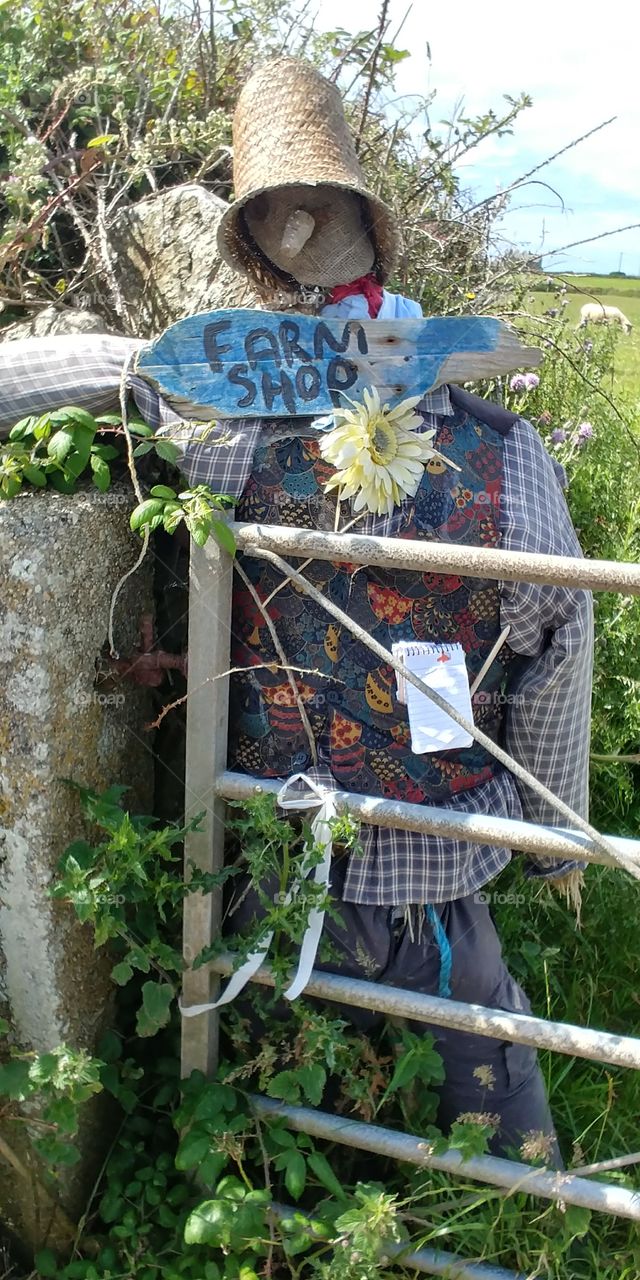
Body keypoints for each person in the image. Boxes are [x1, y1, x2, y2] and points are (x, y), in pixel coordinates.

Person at [0, 58, 592, 1163]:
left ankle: (309, 1180)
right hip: (441, 844)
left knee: (285, 1083)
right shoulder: (508, 457)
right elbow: (559, 639)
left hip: (277, 849)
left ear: (256, 256)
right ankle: (505, 1179)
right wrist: (555, 841)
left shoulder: (215, 423)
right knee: (476, 1059)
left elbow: (98, 371)